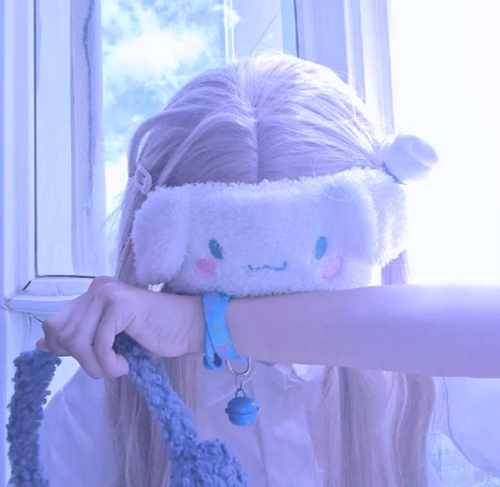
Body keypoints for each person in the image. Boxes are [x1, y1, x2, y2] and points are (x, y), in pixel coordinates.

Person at [32, 53, 500, 487]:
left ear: (382, 224)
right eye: (240, 290)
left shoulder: (439, 380)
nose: (278, 332)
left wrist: (207, 323)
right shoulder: (107, 398)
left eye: (303, 290)